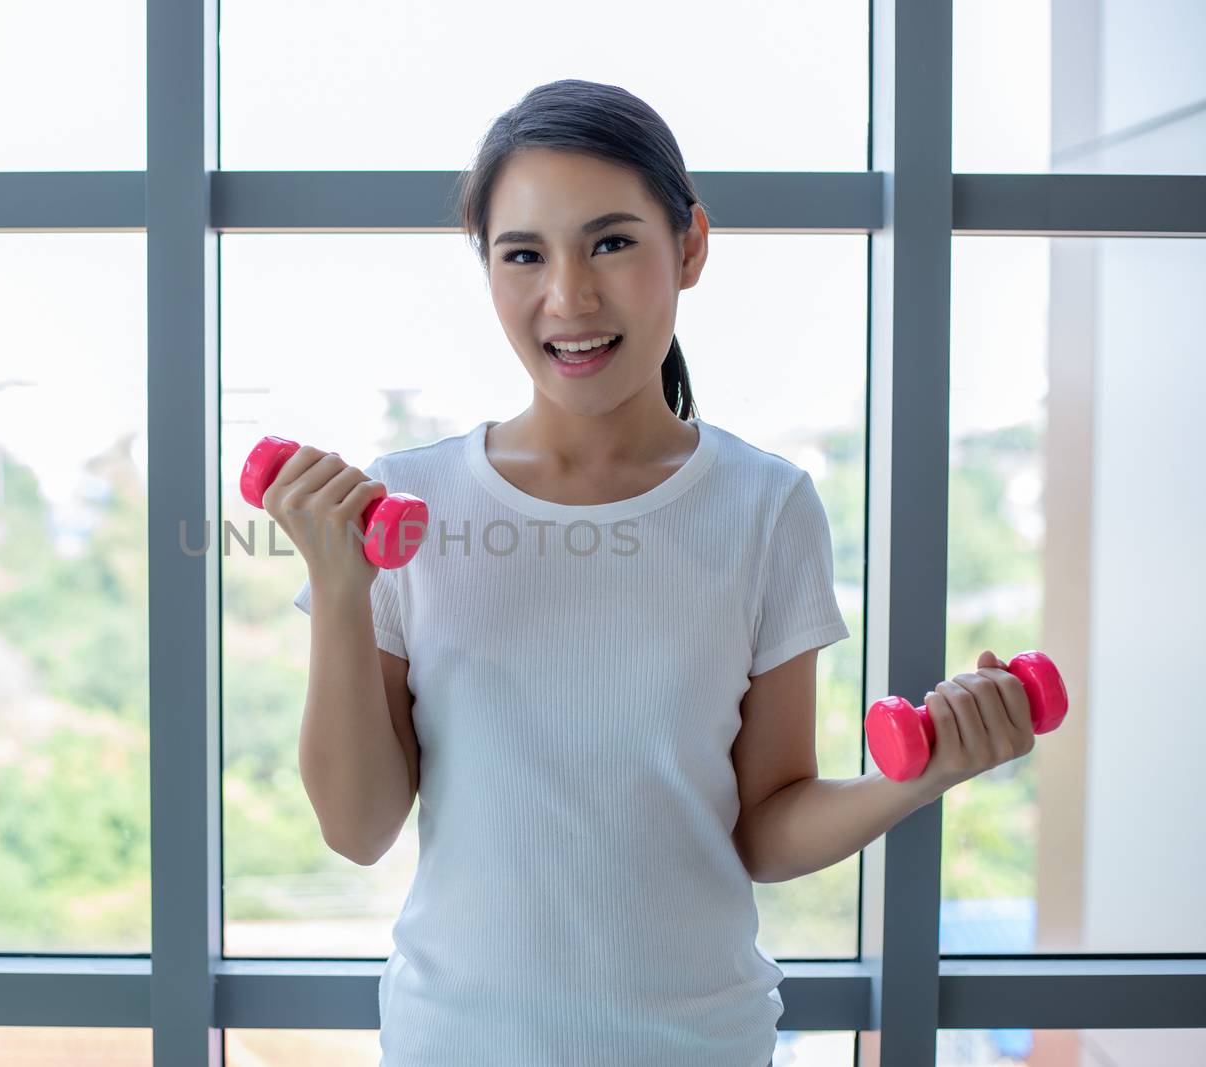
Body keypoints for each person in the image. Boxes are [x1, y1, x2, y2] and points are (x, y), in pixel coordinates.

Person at [271, 78, 1035, 1067]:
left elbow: (764, 824)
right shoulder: (407, 502)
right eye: (523, 255)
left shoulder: (765, 506)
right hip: (455, 1044)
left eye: (612, 241)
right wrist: (339, 588)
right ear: (488, 271)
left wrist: (920, 772)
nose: (569, 296)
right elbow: (357, 826)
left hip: (699, 1044)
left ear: (690, 246)